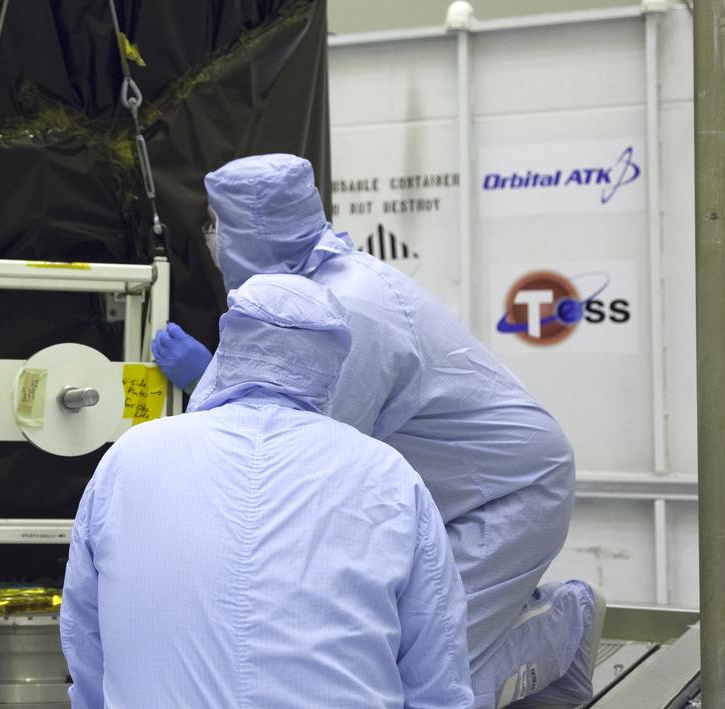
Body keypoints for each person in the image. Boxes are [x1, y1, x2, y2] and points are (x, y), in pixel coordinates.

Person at [151, 154, 602, 709]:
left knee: (418, 683)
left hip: (505, 499)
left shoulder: (352, 307)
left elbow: (298, 458)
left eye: (217, 224)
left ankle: (562, 627)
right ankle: (512, 616)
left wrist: (204, 382)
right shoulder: (301, 294)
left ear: (253, 230)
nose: (212, 240)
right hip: (441, 499)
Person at [62, 273, 474, 709]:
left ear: (228, 347)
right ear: (334, 364)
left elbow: (85, 638)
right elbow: (438, 672)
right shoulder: (388, 475)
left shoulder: (129, 459)